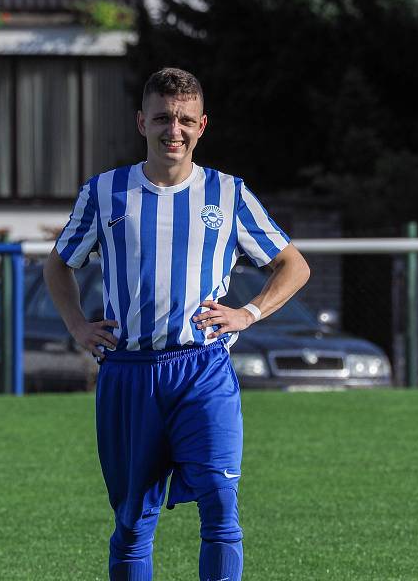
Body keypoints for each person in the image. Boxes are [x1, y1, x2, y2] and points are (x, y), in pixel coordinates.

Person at [44, 67, 310, 581]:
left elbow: (293, 266)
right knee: (132, 523)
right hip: (128, 373)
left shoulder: (228, 194)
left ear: (202, 124)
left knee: (220, 505)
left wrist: (247, 313)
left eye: (186, 119)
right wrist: (78, 325)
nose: (175, 130)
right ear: (141, 122)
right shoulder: (105, 193)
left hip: (202, 369)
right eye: (163, 118)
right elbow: (59, 263)